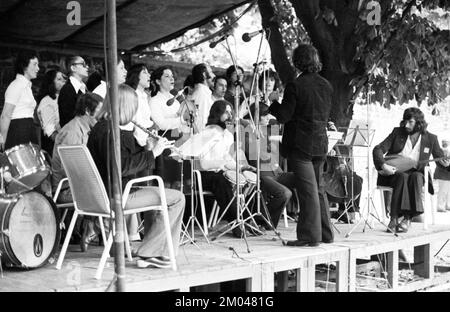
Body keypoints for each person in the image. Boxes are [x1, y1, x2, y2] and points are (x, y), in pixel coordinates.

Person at [87, 84, 185, 269]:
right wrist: (153, 153)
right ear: (127, 106)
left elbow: (121, 160)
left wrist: (148, 148)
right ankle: (151, 253)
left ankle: (152, 249)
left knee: (156, 193)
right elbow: (122, 167)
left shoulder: (101, 128)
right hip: (117, 195)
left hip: (101, 194)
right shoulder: (114, 133)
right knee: (176, 198)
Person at [268, 44, 334, 247]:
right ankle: (325, 233)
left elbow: (284, 116)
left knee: (307, 191)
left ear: (298, 62)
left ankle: (309, 236)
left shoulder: (295, 86)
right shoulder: (326, 85)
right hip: (320, 143)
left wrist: (273, 102)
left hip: (301, 145)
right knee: (318, 188)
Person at [373, 108, 450, 232]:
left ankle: (407, 218)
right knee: (402, 177)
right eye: (405, 121)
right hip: (395, 173)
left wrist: (446, 164)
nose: (407, 125)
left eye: (411, 122)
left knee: (416, 177)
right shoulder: (397, 133)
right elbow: (378, 149)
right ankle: (394, 218)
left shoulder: (431, 139)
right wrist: (383, 165)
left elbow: (440, 159)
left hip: (417, 173)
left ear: (419, 124)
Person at [52, 93, 103, 251]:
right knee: (107, 191)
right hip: (67, 188)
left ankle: (97, 228)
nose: (103, 116)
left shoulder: (87, 129)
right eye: (100, 111)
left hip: (79, 185)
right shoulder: (73, 132)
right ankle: (94, 227)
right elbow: (71, 170)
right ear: (88, 111)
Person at [195, 100, 254, 238]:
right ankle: (237, 224)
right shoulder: (206, 133)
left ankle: (248, 221)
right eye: (226, 112)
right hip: (204, 175)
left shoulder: (227, 135)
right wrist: (222, 163)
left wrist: (241, 167)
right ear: (217, 113)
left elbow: (226, 158)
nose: (230, 115)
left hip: (219, 173)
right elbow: (204, 164)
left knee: (247, 178)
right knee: (222, 181)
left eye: (230, 112)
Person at [245, 105, 296, 229]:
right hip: (263, 173)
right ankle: (265, 221)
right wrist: (252, 133)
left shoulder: (266, 131)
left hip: (277, 171)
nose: (268, 117)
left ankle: (310, 219)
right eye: (264, 115)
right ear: (256, 117)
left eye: (268, 114)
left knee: (306, 179)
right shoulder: (247, 132)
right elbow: (253, 153)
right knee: (285, 193)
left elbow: (273, 153)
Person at [149, 65, 186, 189]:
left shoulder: (175, 100)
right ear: (158, 81)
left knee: (179, 182)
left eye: (172, 76)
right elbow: (161, 124)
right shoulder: (154, 101)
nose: (171, 79)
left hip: (178, 141)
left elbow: (182, 122)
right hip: (164, 143)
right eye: (167, 76)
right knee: (166, 184)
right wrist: (180, 119)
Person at [0, 51, 40, 151]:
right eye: (34, 64)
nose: (38, 68)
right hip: (18, 130)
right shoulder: (16, 85)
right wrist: (2, 140)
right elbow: (5, 114)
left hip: (28, 127)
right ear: (24, 66)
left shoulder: (26, 86)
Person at [36, 69, 67, 155]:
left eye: (64, 78)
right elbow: (50, 130)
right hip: (54, 145)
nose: (64, 81)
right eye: (59, 79)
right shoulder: (47, 101)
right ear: (51, 83)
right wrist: (64, 143)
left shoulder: (64, 97)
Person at [125, 63, 154, 147]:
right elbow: (138, 125)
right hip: (138, 143)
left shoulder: (144, 95)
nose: (149, 75)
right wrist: (146, 145)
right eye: (145, 72)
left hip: (146, 139)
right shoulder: (134, 96)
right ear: (136, 76)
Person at [58, 56, 88, 128]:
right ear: (73, 68)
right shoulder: (67, 90)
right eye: (83, 64)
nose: (87, 66)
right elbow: (68, 118)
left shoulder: (83, 89)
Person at [191, 63, 215, 131]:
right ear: (204, 75)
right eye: (211, 72)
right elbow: (201, 120)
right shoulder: (201, 94)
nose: (214, 75)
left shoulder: (204, 92)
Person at [435, 139, 450, 212]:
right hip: (443, 174)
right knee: (443, 190)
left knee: (446, 190)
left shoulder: (444, 150)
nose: (445, 143)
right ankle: (440, 206)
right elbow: (445, 163)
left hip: (446, 174)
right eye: (444, 142)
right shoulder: (443, 151)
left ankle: (447, 205)